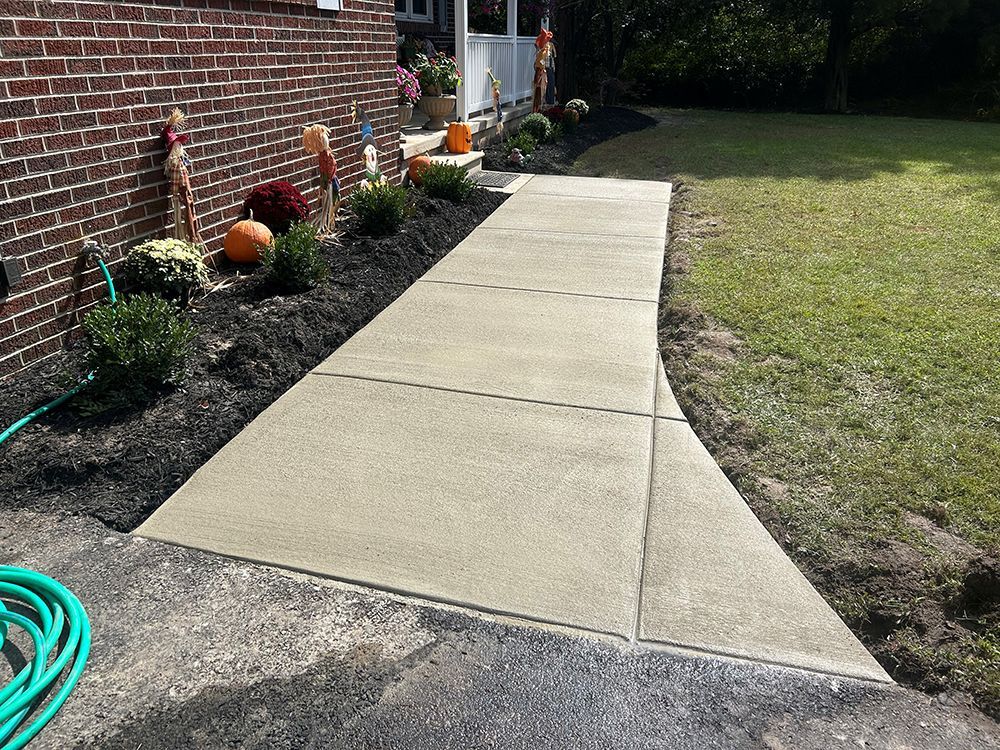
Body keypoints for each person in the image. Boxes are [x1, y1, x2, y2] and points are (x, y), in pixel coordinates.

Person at [532, 28, 554, 113]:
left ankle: (538, 110)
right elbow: (539, 64)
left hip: (541, 74)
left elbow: (540, 65)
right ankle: (538, 110)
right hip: (541, 74)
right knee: (539, 95)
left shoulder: (543, 52)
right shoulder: (542, 52)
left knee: (540, 95)